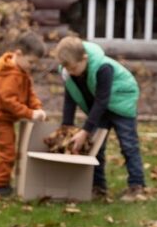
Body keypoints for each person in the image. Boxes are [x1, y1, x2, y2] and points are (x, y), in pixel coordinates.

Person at [53, 36, 147, 200]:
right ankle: (98, 187)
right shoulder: (69, 71)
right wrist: (66, 127)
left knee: (128, 144)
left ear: (85, 59)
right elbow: (70, 99)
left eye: (74, 68)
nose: (72, 73)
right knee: (95, 146)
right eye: (68, 70)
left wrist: (85, 130)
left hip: (120, 102)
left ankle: (137, 186)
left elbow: (102, 100)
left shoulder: (103, 67)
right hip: (99, 108)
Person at [0, 32, 49, 197]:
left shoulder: (22, 70)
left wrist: (37, 108)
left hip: (7, 118)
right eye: (31, 62)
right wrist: (30, 114)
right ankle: (1, 186)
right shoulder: (8, 75)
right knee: (8, 152)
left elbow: (29, 93)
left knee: (11, 151)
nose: (31, 66)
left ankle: (5, 182)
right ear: (18, 54)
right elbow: (9, 102)